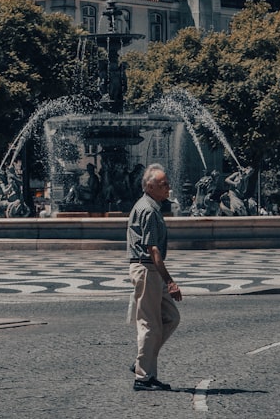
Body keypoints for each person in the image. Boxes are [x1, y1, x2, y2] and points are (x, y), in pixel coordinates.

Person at [127, 164, 181, 391]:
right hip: (147, 269)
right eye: (163, 184)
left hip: (151, 271)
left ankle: (144, 362)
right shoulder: (148, 210)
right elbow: (153, 250)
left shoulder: (151, 207)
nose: (168, 187)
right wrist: (170, 281)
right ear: (150, 186)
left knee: (171, 318)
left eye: (167, 183)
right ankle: (143, 377)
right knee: (149, 324)